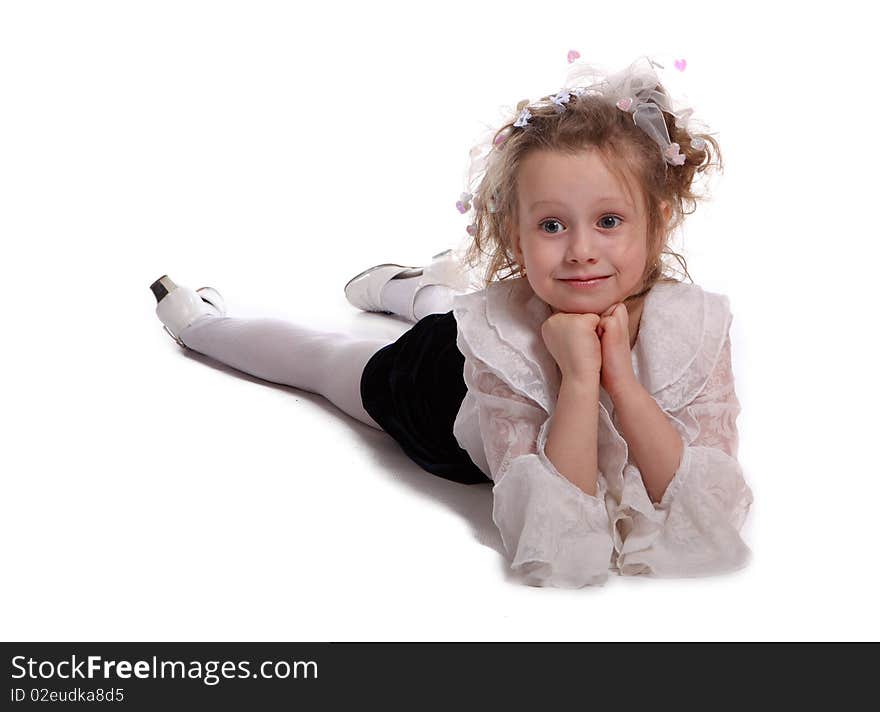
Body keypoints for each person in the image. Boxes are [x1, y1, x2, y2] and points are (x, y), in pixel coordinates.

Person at [150, 54, 754, 588]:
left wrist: (618, 378)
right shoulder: (501, 330)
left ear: (659, 220)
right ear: (515, 238)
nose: (580, 251)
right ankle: (203, 327)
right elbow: (554, 524)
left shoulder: (693, 328)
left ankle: (421, 287)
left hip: (495, 334)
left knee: (450, 311)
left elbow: (708, 504)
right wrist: (575, 380)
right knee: (329, 362)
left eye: (609, 221)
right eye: (550, 226)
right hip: (440, 390)